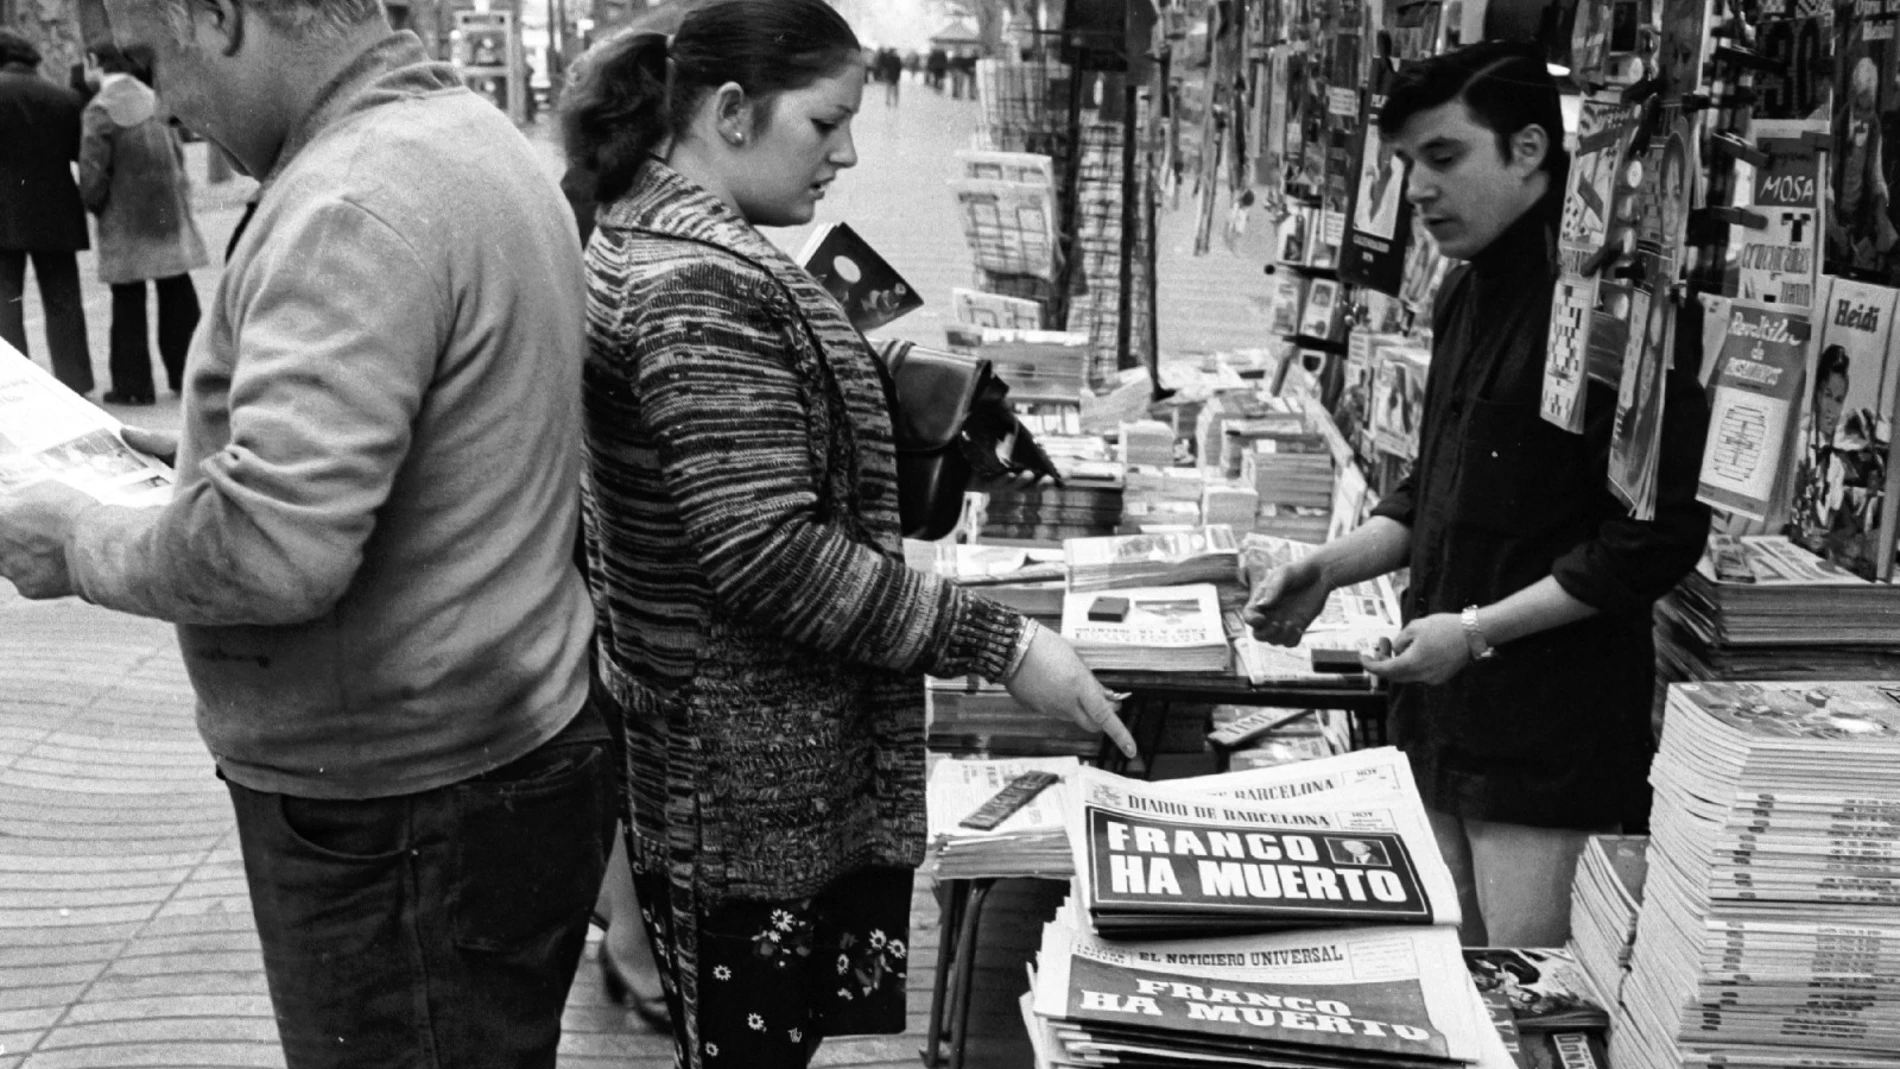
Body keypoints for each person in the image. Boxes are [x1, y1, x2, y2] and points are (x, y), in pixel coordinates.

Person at [0, 3, 612, 1067]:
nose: (175, 110)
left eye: (156, 63)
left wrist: (79, 538)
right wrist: (188, 449)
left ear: (220, 16)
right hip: (502, 744)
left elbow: (277, 552)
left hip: (399, 807)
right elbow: (425, 428)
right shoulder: (468, 140)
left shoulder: (349, 201)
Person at [560, 4, 1136, 1066]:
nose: (849, 152)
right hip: (743, 770)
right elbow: (765, 553)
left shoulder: (660, 237)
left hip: (722, 755)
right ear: (730, 112)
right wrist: (1005, 646)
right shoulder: (697, 282)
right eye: (825, 123)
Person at [1243, 41, 1711, 948]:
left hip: (1547, 751)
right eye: (1406, 163)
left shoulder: (1616, 311)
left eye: (1444, 156)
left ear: (1530, 148)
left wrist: (1480, 631)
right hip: (1438, 724)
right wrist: (1329, 568)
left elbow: (1648, 539)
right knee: (1459, 982)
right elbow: (1440, 486)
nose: (1416, 188)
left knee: (1532, 996)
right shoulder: (1464, 293)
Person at [78, 45, 209, 405]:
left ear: (93, 63)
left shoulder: (101, 109)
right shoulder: (154, 97)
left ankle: (133, 386)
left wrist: (95, 203)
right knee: (178, 294)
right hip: (167, 216)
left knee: (128, 302)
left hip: (126, 219)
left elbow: (92, 173)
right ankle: (189, 375)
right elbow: (180, 158)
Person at [0, 30, 94, 395]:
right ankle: (75, 380)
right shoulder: (66, 99)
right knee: (64, 299)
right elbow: (78, 153)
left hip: (3, 212)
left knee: (6, 299)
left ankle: (12, 382)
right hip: (57, 210)